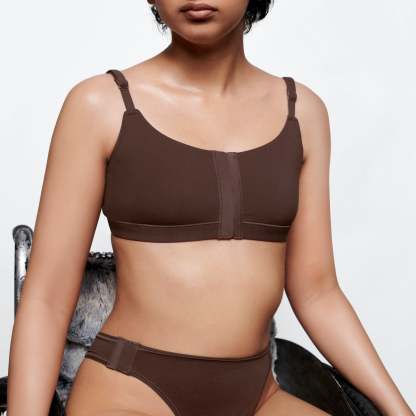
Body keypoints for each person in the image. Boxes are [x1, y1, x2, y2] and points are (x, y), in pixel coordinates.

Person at [7, 1, 414, 415]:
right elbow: (47, 297)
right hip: (132, 392)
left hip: (258, 397)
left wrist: (400, 410)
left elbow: (317, 292)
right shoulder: (99, 105)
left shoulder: (303, 114)